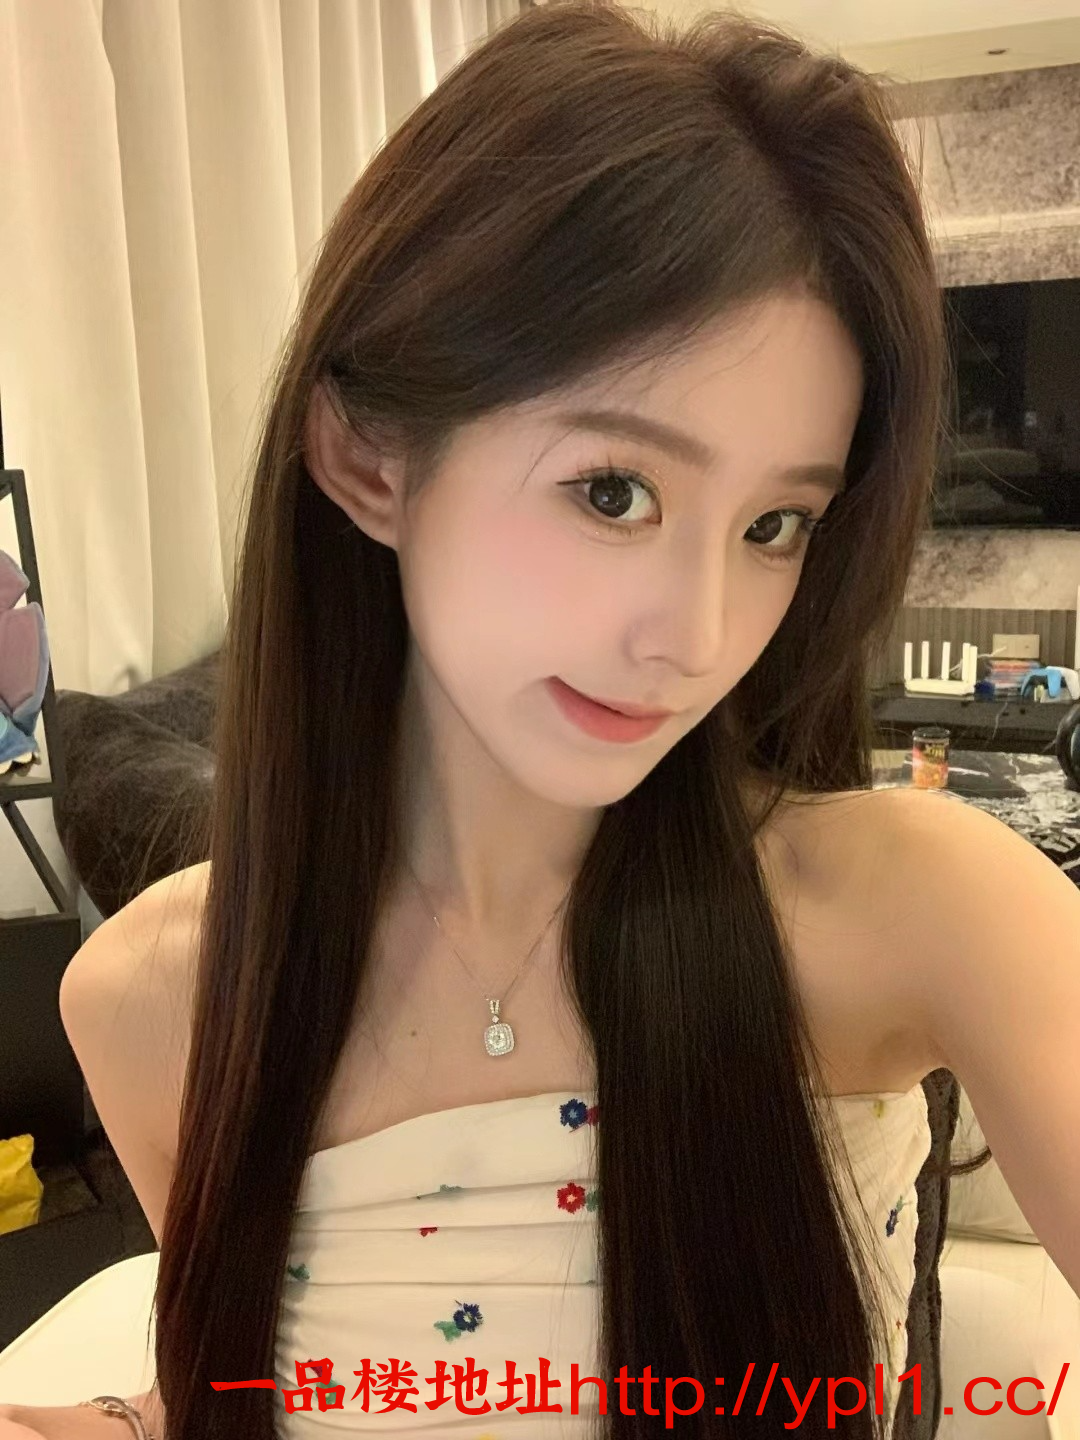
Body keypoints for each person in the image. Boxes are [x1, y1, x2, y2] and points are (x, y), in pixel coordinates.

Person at [4, 1, 1078, 1437]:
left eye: (774, 525)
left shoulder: (925, 910)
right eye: (614, 492)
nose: (697, 636)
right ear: (367, 454)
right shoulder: (162, 1001)